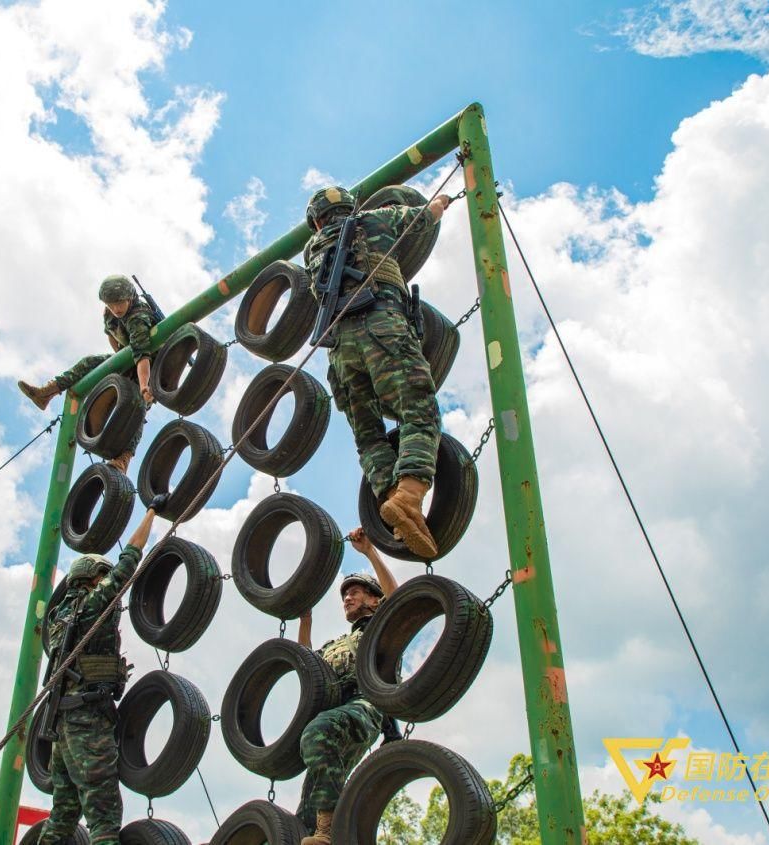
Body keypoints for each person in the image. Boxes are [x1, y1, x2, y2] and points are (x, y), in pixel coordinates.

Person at [303, 186, 455, 558]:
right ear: (348, 207)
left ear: (317, 221)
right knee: (420, 411)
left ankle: (400, 506)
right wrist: (442, 201)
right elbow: (423, 218)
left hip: (340, 352)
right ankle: (410, 494)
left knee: (369, 437)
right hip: (381, 328)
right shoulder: (375, 219)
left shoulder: (311, 252)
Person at [37, 497, 166, 844]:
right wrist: (151, 512)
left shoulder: (59, 617)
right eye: (101, 577)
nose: (105, 581)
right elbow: (129, 562)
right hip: (87, 720)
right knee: (104, 816)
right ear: (92, 579)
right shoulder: (94, 605)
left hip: (62, 727)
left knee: (62, 815)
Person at [295, 528, 400, 843]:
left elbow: (398, 599)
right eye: (345, 595)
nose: (347, 597)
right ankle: (323, 831)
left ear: (373, 599)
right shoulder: (336, 643)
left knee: (317, 731)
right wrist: (305, 620)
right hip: (337, 711)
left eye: (355, 592)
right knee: (305, 813)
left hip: (366, 705)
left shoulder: (379, 628)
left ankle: (328, 831)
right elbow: (307, 662)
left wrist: (369, 551)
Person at [18, 274, 157, 473]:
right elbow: (110, 333)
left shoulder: (138, 317)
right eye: (111, 304)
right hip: (128, 357)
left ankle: (123, 460)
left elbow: (142, 355)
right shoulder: (110, 313)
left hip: (149, 366)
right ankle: (47, 392)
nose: (116, 309)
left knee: (136, 408)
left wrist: (145, 385)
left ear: (129, 298)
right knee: (90, 362)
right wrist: (118, 359)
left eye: (119, 303)